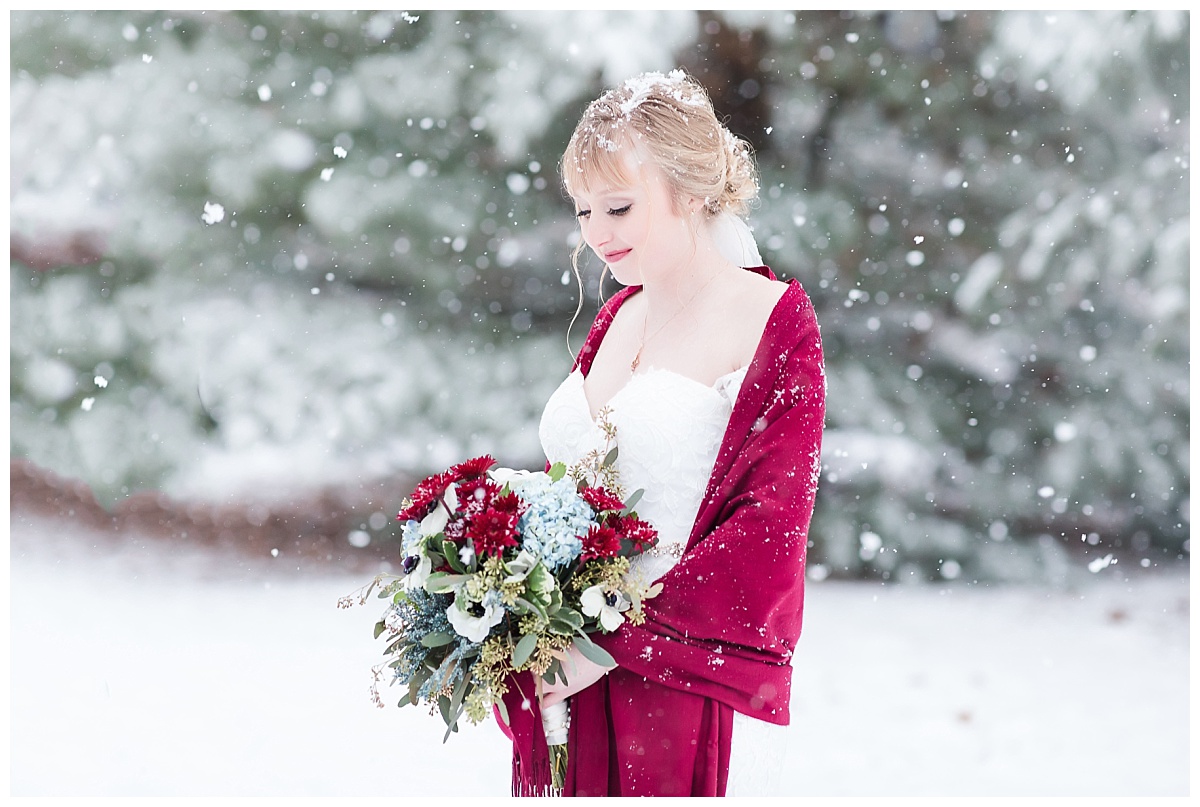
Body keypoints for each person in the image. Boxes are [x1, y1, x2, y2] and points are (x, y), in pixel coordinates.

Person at [501, 69, 825, 797]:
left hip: (672, 678)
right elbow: (575, 487)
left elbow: (769, 525)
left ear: (690, 188)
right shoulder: (620, 314)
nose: (596, 232)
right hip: (560, 671)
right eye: (583, 210)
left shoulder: (774, 318)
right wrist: (508, 600)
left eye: (618, 205)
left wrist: (612, 645)